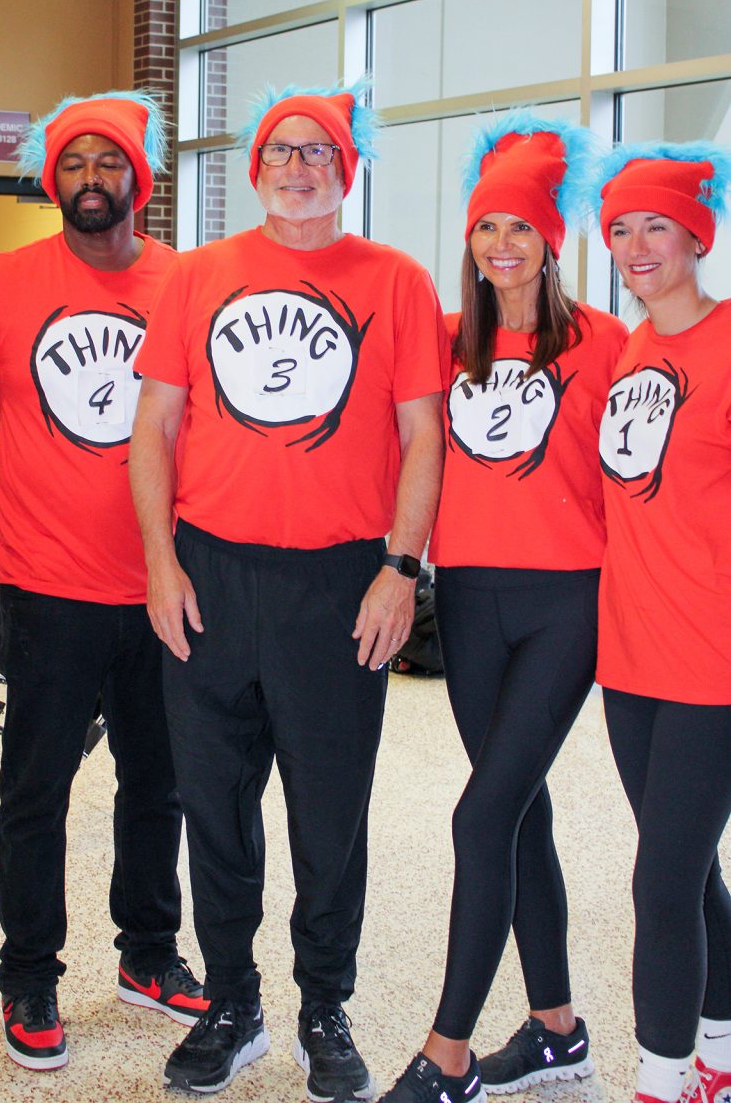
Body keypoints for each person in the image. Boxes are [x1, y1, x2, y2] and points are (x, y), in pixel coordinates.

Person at [130, 81, 449, 1101]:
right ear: (255, 167)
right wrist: (159, 561)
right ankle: (230, 998)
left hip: (338, 582)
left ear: (344, 170)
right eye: (280, 150)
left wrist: (400, 569)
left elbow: (421, 438)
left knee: (327, 809)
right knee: (214, 804)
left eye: (319, 151)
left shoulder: (393, 280)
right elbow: (154, 428)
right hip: (211, 572)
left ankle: (323, 999)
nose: (298, 166)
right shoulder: (198, 276)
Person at [0, 91, 206, 1072]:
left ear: (141, 175)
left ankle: (148, 954)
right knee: (35, 791)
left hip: (163, 584)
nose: (91, 180)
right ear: (53, 179)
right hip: (45, 586)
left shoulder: (188, 279)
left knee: (159, 785)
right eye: (74, 164)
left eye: (109, 163)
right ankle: (28, 972)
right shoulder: (8, 280)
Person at [381, 113, 628, 1103]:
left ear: (549, 241)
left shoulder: (604, 345)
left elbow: (644, 480)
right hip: (470, 598)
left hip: (568, 604)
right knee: (518, 815)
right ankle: (557, 1030)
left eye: (518, 229)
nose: (500, 245)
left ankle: (447, 1055)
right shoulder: (444, 343)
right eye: (485, 228)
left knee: (480, 817)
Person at [589, 142, 731, 1103]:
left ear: (695, 234)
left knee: (659, 881)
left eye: (654, 225)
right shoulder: (629, 347)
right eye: (619, 229)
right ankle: (718, 1048)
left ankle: (663, 1076)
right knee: (688, 866)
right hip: (629, 653)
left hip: (712, 661)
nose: (636, 245)